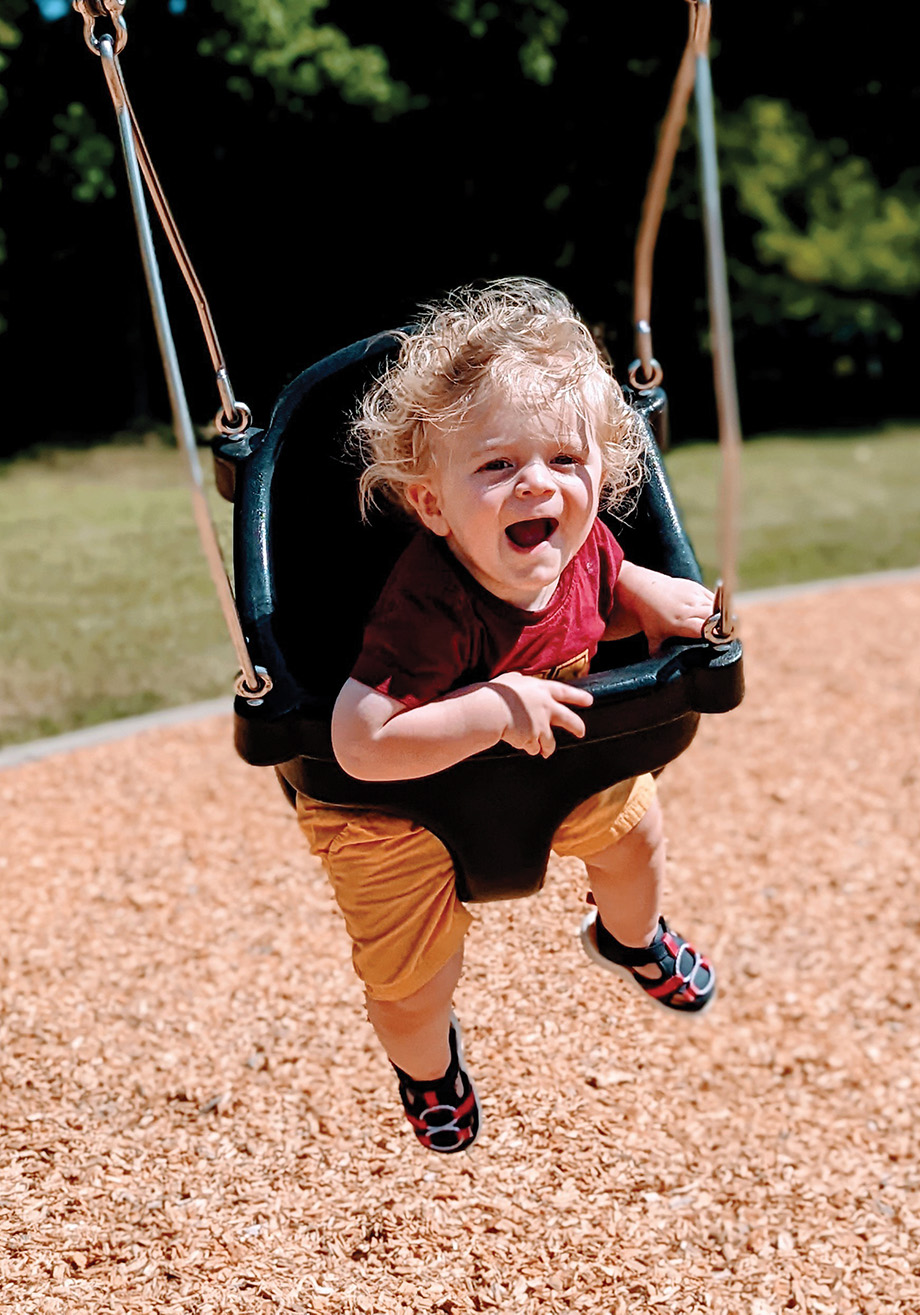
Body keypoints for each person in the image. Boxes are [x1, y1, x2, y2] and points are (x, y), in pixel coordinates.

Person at [296, 278, 716, 1154]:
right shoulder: (426, 606)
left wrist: (652, 596)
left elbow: (606, 575)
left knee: (637, 835)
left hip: (557, 761)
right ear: (434, 503)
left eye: (566, 460)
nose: (539, 485)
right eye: (497, 465)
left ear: (602, 471)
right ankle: (427, 1069)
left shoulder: (582, 544)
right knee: (409, 988)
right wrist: (491, 707)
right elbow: (357, 741)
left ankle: (629, 938)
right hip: (396, 812)